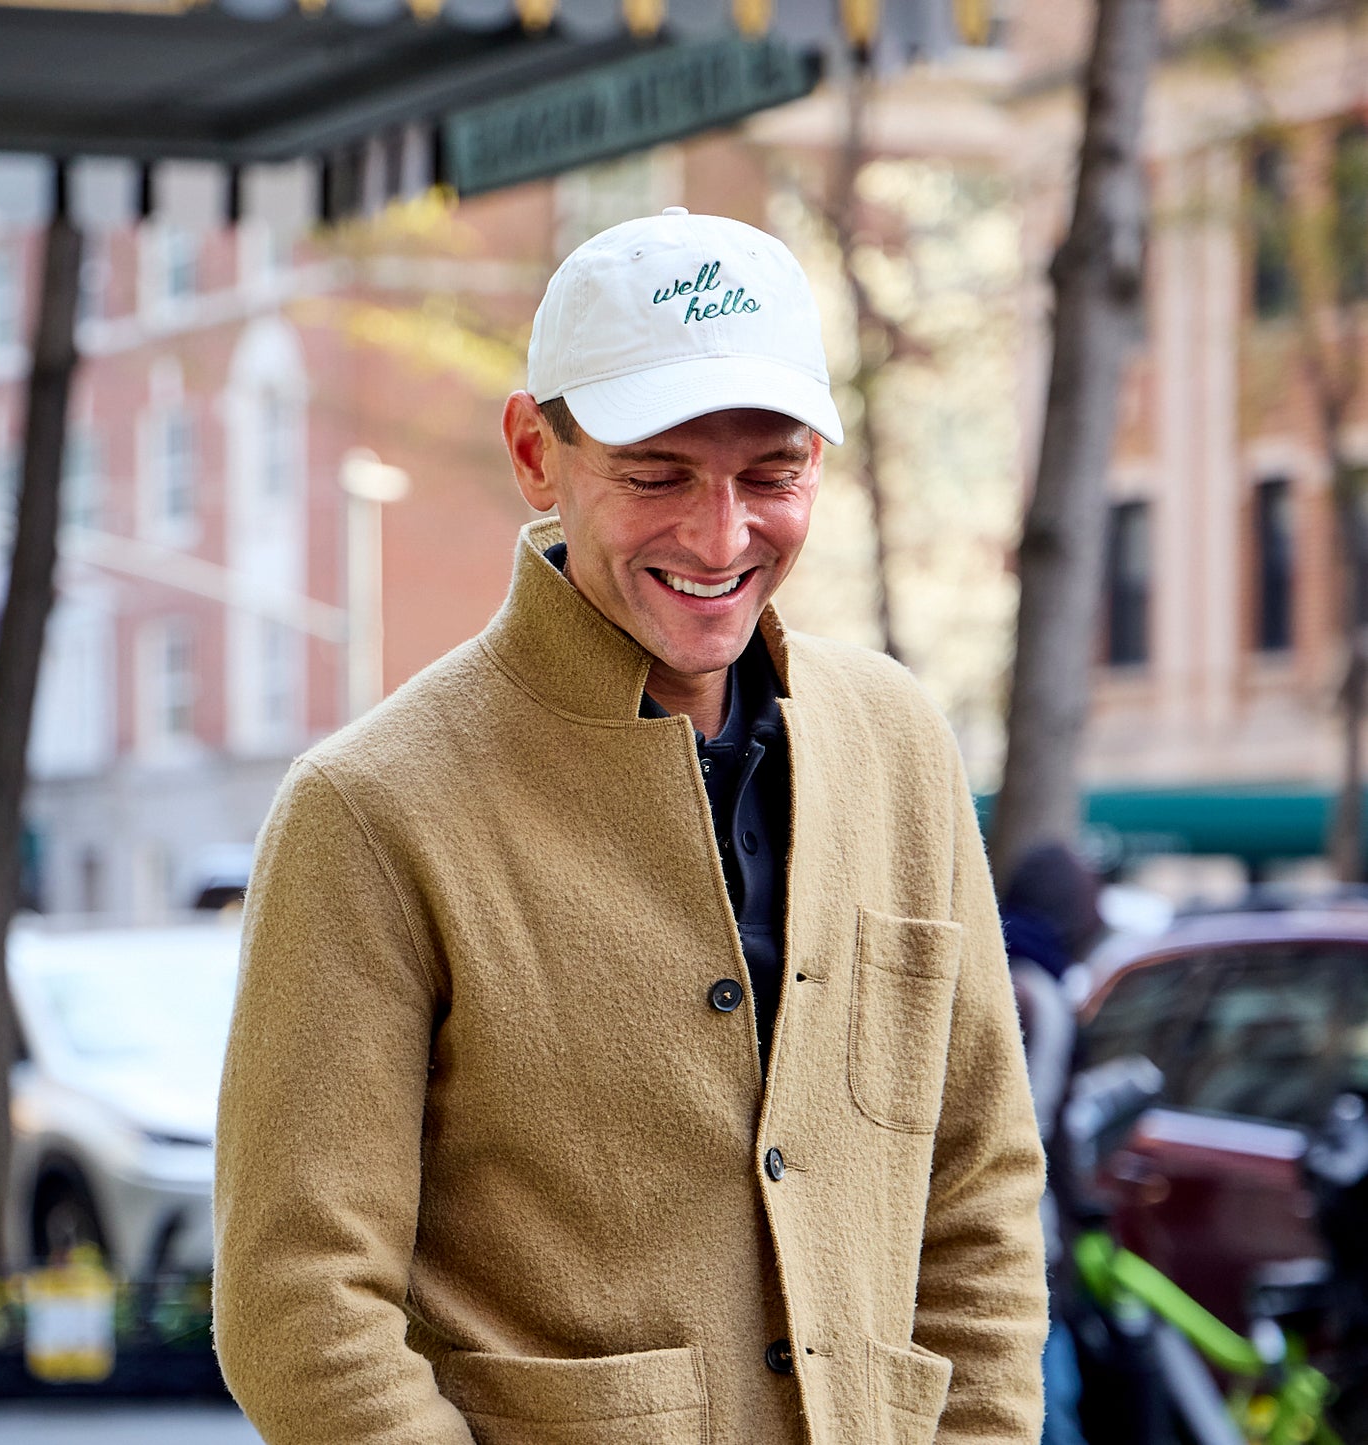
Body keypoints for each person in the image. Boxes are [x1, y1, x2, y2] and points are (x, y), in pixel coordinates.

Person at [213, 208, 1047, 1445]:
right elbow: (300, 1308)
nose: (719, 536)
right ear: (534, 452)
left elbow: (976, 1186)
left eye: (770, 473)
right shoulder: (369, 810)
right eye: (654, 473)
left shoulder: (897, 742)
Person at [1000, 842, 1103, 1445]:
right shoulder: (1033, 993)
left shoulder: (1015, 975)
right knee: (1046, 1408)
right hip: (1018, 1230)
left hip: (1021, 1230)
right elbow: (1046, 1130)